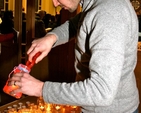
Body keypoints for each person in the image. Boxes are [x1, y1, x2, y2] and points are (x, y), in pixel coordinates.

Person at [9, 0, 139, 112]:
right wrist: (52, 37)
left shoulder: (108, 14)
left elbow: (101, 92)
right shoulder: (98, 4)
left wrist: (40, 89)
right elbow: (77, 23)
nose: (54, 3)